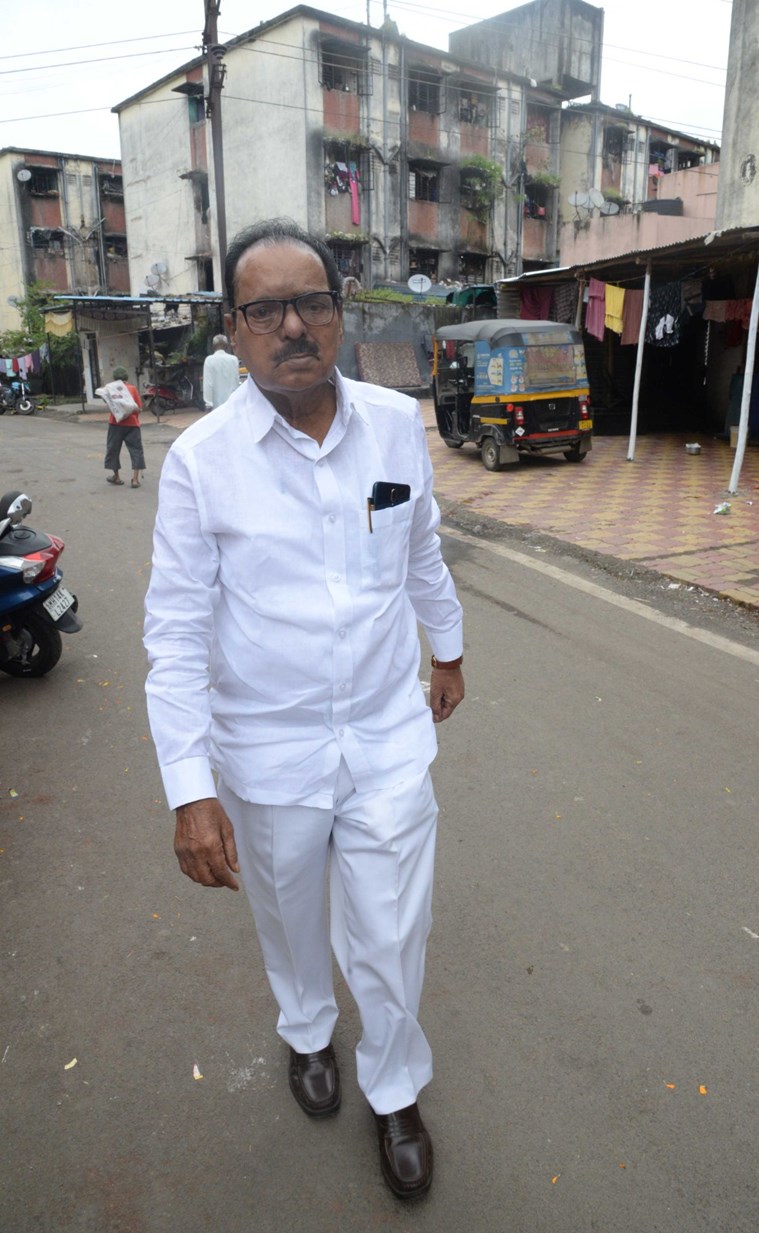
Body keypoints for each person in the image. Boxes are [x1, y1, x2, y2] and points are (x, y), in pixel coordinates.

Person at [143, 218, 464, 1200]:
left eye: (311, 302)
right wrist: (190, 792)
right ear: (233, 330)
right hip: (269, 753)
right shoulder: (202, 462)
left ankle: (394, 1087)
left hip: (383, 737)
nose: (293, 325)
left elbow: (418, 551)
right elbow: (175, 633)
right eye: (265, 308)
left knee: (389, 929)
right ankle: (307, 1032)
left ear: (339, 312)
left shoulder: (392, 425)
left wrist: (444, 648)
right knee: (288, 919)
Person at [104, 366, 145, 488]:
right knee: (136, 450)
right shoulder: (132, 389)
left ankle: (116, 477)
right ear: (126, 377)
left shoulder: (110, 389)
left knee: (113, 449)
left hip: (115, 424)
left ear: (115, 378)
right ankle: (135, 479)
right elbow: (139, 408)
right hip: (132, 424)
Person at [202, 333, 240, 409]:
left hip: (216, 406)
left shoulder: (209, 360)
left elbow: (208, 383)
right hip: (232, 403)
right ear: (226, 346)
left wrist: (208, 403)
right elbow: (236, 381)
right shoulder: (234, 360)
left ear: (213, 346)